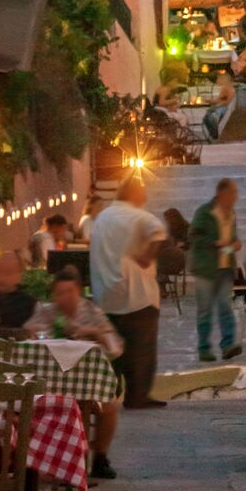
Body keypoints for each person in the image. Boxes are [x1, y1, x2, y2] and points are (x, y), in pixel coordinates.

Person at [31, 267, 123, 480]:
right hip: (50, 382)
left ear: (78, 291)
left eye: (69, 292)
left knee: (109, 407)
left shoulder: (91, 312)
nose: (64, 298)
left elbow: (116, 348)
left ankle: (100, 457)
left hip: (86, 383)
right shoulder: (47, 312)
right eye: (60, 293)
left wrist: (95, 333)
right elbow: (30, 333)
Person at [88, 175, 168, 409]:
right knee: (141, 350)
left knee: (113, 349)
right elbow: (158, 232)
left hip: (106, 295)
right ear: (135, 194)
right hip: (138, 296)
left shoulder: (101, 218)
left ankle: (111, 391)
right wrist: (148, 255)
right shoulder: (142, 217)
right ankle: (137, 395)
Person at [187, 178, 243, 362]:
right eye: (232, 192)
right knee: (205, 310)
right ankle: (204, 348)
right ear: (222, 193)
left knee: (225, 307)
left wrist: (234, 244)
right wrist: (215, 242)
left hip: (225, 266)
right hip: (206, 268)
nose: (235, 196)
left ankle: (228, 345)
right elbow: (194, 236)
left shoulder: (231, 213)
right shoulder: (205, 212)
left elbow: (230, 236)